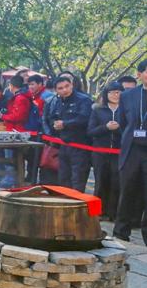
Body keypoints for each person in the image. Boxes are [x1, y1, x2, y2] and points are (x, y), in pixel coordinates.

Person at [113, 59, 147, 242]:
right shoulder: (128, 95)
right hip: (132, 149)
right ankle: (120, 231)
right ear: (140, 74)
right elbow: (123, 122)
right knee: (127, 190)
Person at [43, 75, 92, 192]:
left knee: (78, 180)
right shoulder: (57, 101)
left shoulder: (84, 99)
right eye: (60, 88)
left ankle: (78, 207)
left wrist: (65, 123)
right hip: (63, 145)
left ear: (72, 85)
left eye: (67, 86)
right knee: (63, 179)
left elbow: (85, 118)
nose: (64, 90)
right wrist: (55, 124)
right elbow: (51, 117)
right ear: (56, 90)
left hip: (80, 146)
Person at [87, 82, 123, 221]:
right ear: (106, 94)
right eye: (112, 92)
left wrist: (118, 129)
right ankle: (97, 212)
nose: (115, 95)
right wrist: (106, 127)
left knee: (116, 182)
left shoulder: (125, 110)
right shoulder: (98, 110)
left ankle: (113, 213)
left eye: (118, 92)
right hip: (100, 152)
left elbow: (130, 130)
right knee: (100, 181)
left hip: (119, 152)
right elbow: (90, 131)